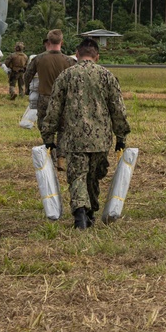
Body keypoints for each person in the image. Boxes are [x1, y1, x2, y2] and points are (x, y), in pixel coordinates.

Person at [40, 38, 130, 230]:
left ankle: (81, 214)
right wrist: (121, 137)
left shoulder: (66, 76)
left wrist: (48, 137)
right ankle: (88, 213)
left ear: (77, 54)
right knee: (93, 177)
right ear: (97, 56)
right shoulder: (107, 76)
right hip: (100, 139)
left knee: (78, 176)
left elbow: (53, 109)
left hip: (74, 138)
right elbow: (118, 110)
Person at [24, 29, 74, 169]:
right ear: (61, 42)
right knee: (63, 128)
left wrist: (27, 90)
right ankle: (62, 157)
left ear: (48, 41)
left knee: (46, 128)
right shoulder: (69, 61)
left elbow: (27, 75)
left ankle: (50, 154)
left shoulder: (38, 59)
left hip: (44, 98)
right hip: (63, 100)